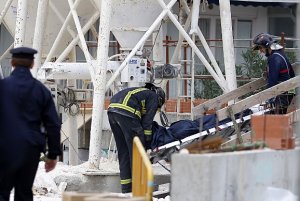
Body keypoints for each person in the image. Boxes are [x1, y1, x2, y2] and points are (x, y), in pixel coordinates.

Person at [0, 47, 61, 201]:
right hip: (30, 149)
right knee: (24, 192)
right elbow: (53, 124)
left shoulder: (2, 87)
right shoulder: (41, 91)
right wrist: (52, 155)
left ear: (12, 62)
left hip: (3, 148)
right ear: (32, 64)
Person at [107, 83, 165, 193]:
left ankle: (126, 187)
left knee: (123, 152)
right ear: (160, 100)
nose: (155, 110)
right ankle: (142, 186)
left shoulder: (140, 93)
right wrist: (147, 141)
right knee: (137, 152)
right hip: (127, 113)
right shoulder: (153, 97)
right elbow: (147, 123)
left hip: (112, 112)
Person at [252, 33, 295, 114]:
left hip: (281, 95)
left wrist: (268, 98)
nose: (261, 51)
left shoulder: (275, 58)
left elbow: (272, 81)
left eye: (261, 48)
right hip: (286, 93)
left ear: (268, 47)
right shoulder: (279, 54)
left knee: (273, 120)